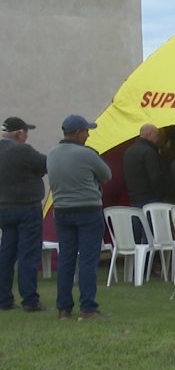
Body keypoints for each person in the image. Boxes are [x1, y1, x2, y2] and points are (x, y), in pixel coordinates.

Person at [47, 115, 111, 320]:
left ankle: (63, 308)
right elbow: (107, 175)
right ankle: (88, 308)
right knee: (88, 260)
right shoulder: (86, 154)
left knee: (66, 259)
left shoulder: (52, 154)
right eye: (86, 131)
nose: (88, 134)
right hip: (88, 210)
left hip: (62, 211)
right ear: (77, 133)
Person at [0, 116, 48, 312]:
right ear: (19, 133)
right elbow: (46, 164)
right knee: (28, 254)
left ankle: (3, 299)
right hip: (27, 208)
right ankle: (29, 300)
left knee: (6, 254)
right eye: (26, 132)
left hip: (3, 208)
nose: (27, 136)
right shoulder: (23, 150)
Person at [123, 123, 168, 207]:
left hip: (134, 198)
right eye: (157, 135)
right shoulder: (149, 152)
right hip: (151, 199)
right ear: (148, 133)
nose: (158, 138)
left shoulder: (128, 151)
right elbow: (155, 177)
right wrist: (161, 196)